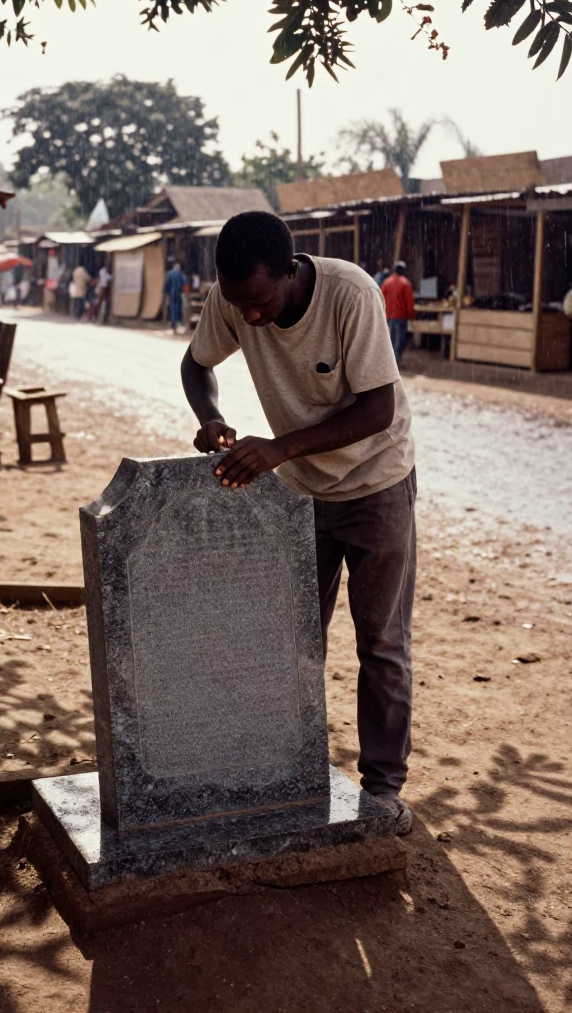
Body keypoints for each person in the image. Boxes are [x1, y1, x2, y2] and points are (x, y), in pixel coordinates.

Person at [180, 211, 416, 834]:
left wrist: (280, 448)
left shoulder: (351, 293)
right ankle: (283, 764)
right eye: (238, 305)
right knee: (290, 638)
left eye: (259, 303)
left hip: (377, 485)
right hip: (304, 493)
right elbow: (196, 365)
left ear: (289, 270)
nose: (249, 318)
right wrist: (210, 417)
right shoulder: (233, 297)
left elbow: (378, 408)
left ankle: (384, 788)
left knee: (381, 643)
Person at [381, 261, 415, 366]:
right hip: (401, 316)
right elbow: (410, 302)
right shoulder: (405, 283)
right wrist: (412, 315)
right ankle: (396, 361)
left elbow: (381, 298)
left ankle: (389, 362)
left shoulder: (387, 282)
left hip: (389, 316)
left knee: (390, 340)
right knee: (400, 340)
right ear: (403, 270)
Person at [164, 261, 188, 333]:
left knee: (172, 308)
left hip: (171, 293)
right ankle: (176, 323)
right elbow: (185, 284)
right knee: (177, 308)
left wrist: (166, 293)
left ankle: (173, 324)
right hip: (178, 293)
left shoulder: (169, 274)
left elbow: (166, 284)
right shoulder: (181, 275)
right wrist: (185, 293)